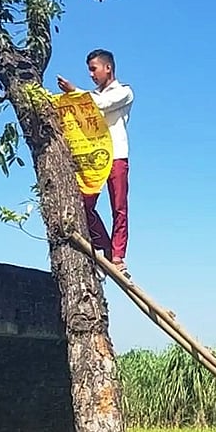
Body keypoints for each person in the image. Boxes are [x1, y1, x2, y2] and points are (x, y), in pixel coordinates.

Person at [57, 49, 135, 273]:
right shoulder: (88, 96)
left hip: (117, 154)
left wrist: (74, 92)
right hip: (93, 157)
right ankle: (106, 248)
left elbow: (100, 105)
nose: (91, 74)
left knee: (119, 207)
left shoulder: (124, 92)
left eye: (94, 69)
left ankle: (118, 256)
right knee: (85, 203)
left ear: (108, 68)